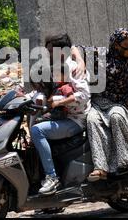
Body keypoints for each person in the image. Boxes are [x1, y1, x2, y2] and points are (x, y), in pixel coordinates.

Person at [80, 28, 128, 181]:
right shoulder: (102, 57)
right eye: (126, 44)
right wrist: (78, 58)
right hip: (100, 102)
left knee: (116, 116)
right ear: (116, 45)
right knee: (91, 120)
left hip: (121, 104)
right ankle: (100, 167)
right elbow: (79, 48)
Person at [29, 33, 91, 195]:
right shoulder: (56, 67)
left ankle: (52, 177)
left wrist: (59, 102)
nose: (48, 54)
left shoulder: (74, 68)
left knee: (38, 131)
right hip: (64, 116)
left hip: (76, 119)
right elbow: (45, 90)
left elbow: (84, 96)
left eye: (51, 51)